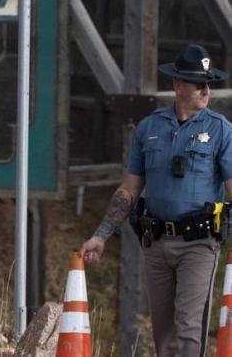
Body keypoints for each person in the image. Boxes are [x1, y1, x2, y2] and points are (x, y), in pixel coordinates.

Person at [80, 44, 232, 356]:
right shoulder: (149, 127)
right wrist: (101, 235)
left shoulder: (221, 130)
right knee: (163, 334)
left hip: (199, 243)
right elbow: (129, 189)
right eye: (199, 83)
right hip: (157, 242)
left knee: (189, 330)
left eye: (209, 83)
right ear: (178, 85)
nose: (206, 90)